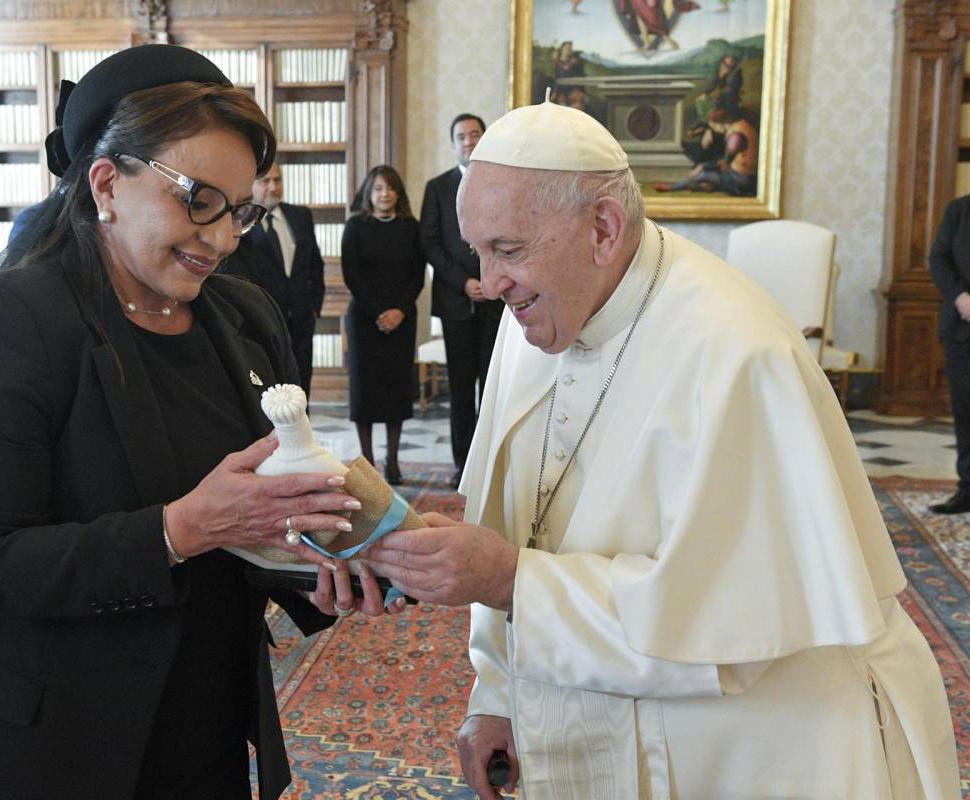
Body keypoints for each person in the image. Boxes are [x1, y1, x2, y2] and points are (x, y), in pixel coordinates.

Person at [365, 101, 959, 798]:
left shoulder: (736, 352)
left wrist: (508, 580)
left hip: (753, 747)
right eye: (477, 252)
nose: (489, 285)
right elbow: (509, 522)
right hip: (597, 718)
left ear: (604, 229)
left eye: (508, 249)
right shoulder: (534, 315)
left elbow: (728, 623)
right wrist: (494, 695)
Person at [0, 46, 403, 800]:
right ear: (106, 183)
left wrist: (311, 566)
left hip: (200, 719)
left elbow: (256, 511)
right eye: (199, 200)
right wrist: (178, 528)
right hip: (37, 737)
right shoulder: (9, 322)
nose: (221, 239)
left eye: (239, 210)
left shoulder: (243, 316)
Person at [420, 113, 504, 486]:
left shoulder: (502, 184)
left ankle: (490, 464)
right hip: (456, 303)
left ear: (485, 139)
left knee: (493, 386)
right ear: (453, 144)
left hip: (498, 302)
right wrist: (465, 281)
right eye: (461, 137)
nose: (469, 141)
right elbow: (430, 244)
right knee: (460, 386)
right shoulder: (437, 187)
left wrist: (491, 279)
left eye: (475, 135)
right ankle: (463, 464)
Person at [341, 165, 425, 486]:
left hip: (403, 319)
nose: (384, 194)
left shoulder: (411, 228)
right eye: (377, 189)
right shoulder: (355, 227)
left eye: (390, 188)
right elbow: (352, 275)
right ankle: (367, 462)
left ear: (398, 193)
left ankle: (392, 460)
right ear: (368, 192)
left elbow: (418, 275)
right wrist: (379, 312)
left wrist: (399, 311)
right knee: (364, 391)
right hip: (365, 318)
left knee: (396, 389)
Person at [219, 161, 326, 398]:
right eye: (265, 181)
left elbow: (314, 264)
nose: (273, 186)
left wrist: (314, 306)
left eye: (277, 180)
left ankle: (300, 433)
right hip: (262, 321)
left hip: (300, 319)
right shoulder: (240, 221)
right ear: (251, 185)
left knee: (300, 386)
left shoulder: (300, 216)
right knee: (270, 389)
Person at [928, 194, 970, 513]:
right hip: (962, 327)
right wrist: (959, 297)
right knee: (965, 410)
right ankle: (967, 489)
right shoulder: (958, 210)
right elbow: (939, 258)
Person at [655, 109, 757, 197]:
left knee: (703, 174)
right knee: (705, 175)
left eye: (714, 127)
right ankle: (705, 186)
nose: (715, 130)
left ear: (721, 124)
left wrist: (703, 167)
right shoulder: (741, 125)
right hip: (744, 176)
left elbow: (724, 164)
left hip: (741, 179)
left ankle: (672, 187)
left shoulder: (735, 136)